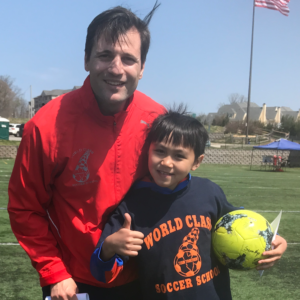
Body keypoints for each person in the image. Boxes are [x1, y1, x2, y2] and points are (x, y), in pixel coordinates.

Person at [8, 3, 165, 300]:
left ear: (142, 68)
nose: (116, 68)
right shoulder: (45, 126)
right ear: (86, 59)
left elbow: (180, 194)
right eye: (105, 55)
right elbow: (24, 209)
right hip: (72, 282)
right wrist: (54, 272)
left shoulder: (158, 120)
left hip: (144, 278)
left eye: (129, 59)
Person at [90, 107, 288, 300]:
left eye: (179, 156)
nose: (167, 162)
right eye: (160, 151)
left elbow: (242, 223)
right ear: (147, 151)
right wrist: (109, 247)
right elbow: (99, 271)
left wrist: (274, 238)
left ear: (197, 161)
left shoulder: (209, 192)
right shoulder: (131, 207)